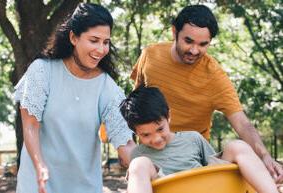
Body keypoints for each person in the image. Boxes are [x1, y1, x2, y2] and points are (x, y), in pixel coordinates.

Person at [130, 4, 283, 182]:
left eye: (203, 44)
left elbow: (242, 123)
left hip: (194, 157)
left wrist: (265, 156)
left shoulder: (214, 76)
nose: (195, 50)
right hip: (153, 155)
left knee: (237, 149)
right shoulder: (150, 56)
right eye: (188, 41)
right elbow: (137, 100)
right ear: (174, 32)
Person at [14, 3, 135, 193]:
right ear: (73, 37)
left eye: (106, 42)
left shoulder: (107, 87)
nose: (101, 49)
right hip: (38, 184)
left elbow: (125, 143)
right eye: (94, 40)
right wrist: (40, 166)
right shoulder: (42, 71)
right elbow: (30, 125)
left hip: (84, 187)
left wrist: (144, 168)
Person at [120, 86, 281, 193]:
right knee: (138, 163)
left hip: (205, 187)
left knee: (237, 146)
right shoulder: (139, 154)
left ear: (168, 117)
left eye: (160, 129)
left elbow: (216, 171)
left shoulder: (193, 138)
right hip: (167, 186)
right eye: (145, 135)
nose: (155, 139)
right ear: (135, 132)